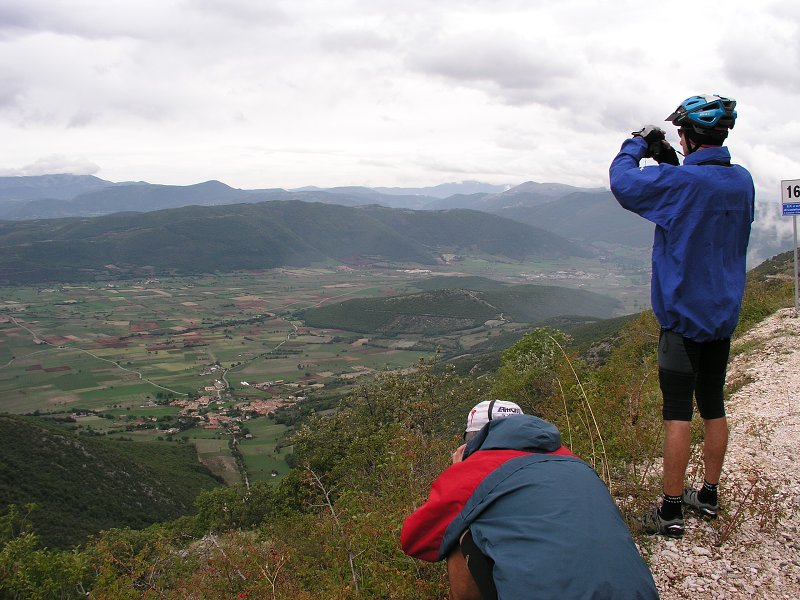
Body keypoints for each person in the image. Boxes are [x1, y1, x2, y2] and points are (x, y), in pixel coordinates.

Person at [609, 94, 755, 537]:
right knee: (713, 405)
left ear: (688, 135)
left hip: (681, 319)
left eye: (679, 133)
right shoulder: (743, 180)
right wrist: (671, 158)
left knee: (677, 412)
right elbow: (697, 184)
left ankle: (671, 511)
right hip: (722, 315)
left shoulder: (682, 186)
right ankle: (707, 496)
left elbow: (624, 183)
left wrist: (637, 143)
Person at [401, 400, 659, 599]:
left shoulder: (475, 471)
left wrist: (456, 474)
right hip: (639, 593)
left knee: (459, 527)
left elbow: (414, 539)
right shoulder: (575, 463)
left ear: (471, 441)